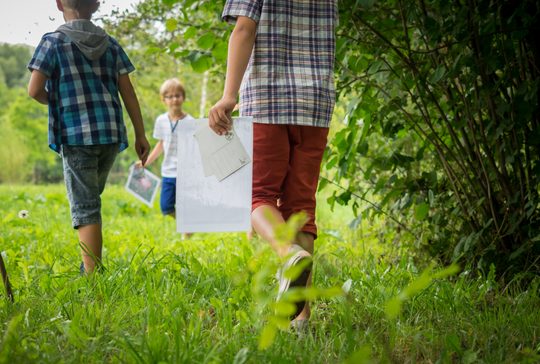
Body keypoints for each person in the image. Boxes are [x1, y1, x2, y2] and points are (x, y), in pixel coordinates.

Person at [209, 0, 337, 326]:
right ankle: (302, 320)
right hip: (316, 102)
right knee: (302, 208)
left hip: (267, 98)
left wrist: (228, 96)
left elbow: (244, 28)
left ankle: (289, 254)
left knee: (257, 196)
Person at [27, 0, 150, 274]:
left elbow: (34, 90)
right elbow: (128, 92)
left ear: (59, 4)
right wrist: (140, 133)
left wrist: (57, 101)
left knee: (86, 206)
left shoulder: (53, 42)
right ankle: (91, 265)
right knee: (92, 197)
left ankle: (92, 273)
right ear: (95, 5)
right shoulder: (111, 44)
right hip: (109, 134)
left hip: (76, 135)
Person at [136, 78, 194, 225]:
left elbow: (194, 147)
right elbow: (161, 144)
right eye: (170, 96)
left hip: (185, 172)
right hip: (168, 171)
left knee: (185, 205)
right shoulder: (161, 120)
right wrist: (146, 161)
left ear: (183, 97)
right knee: (166, 207)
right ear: (163, 100)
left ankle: (186, 232)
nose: (174, 99)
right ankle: (185, 222)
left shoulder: (191, 121)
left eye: (177, 95)